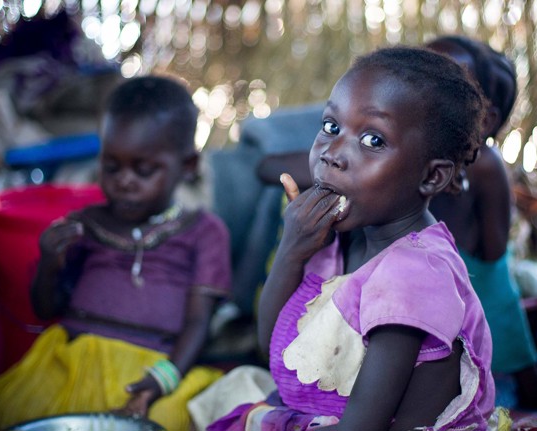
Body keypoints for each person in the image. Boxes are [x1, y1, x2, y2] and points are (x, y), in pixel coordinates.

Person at [202, 46, 498, 431]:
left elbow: (363, 426)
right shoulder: (340, 240)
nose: (332, 154)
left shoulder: (414, 273)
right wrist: (292, 250)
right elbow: (272, 345)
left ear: (431, 177)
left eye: (373, 140)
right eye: (331, 127)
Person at [0, 75, 232, 431]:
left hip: (156, 370)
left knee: (176, 419)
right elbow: (45, 308)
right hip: (70, 363)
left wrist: (162, 381)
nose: (124, 180)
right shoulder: (86, 223)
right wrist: (49, 262)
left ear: (187, 166)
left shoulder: (204, 232)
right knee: (24, 412)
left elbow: (197, 322)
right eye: (111, 166)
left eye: (144, 170)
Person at [425, 35, 537, 409]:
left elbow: (492, 258)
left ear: (485, 120)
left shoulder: (484, 164)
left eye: (445, 84)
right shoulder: (399, 155)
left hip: (480, 347)